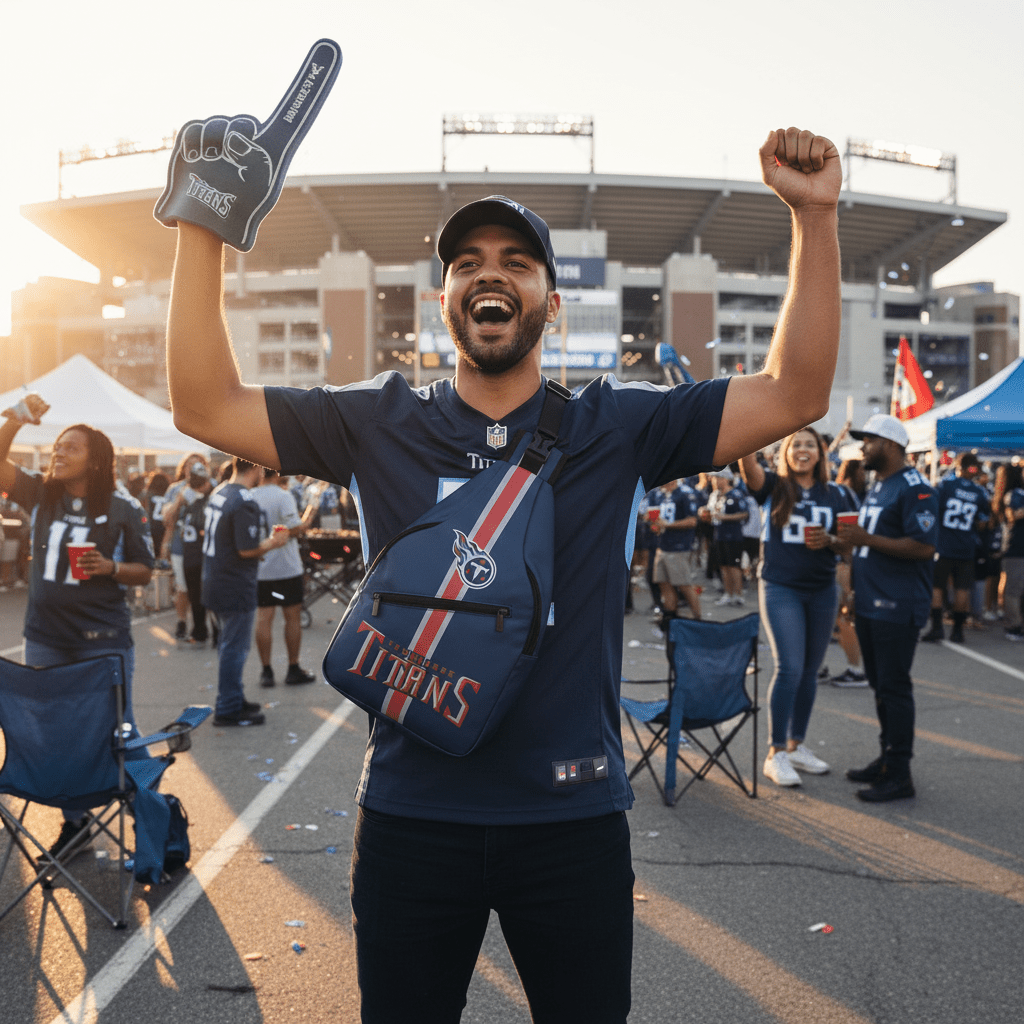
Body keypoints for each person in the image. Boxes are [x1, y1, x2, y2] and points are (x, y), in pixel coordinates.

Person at [165, 127, 842, 1021]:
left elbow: (796, 392)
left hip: (571, 819)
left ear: (550, 304)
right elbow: (203, 404)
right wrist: (201, 225)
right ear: (441, 298)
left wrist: (816, 217)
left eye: (518, 262)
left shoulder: (617, 426)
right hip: (413, 818)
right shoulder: (378, 419)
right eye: (469, 263)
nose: (492, 274)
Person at [0, 396, 154, 857]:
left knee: (119, 730)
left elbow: (145, 569)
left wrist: (109, 567)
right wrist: (14, 419)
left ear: (96, 460)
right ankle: (77, 823)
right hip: (45, 638)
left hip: (102, 641)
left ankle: (151, 813)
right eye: (57, 447)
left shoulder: (123, 507)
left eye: (71, 448)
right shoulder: (41, 492)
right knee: (53, 733)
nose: (58, 453)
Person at [740, 428, 854, 786]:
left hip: (822, 588)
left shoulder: (838, 493)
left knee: (809, 669)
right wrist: (758, 425)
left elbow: (850, 545)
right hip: (781, 587)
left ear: (821, 453)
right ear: (785, 452)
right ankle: (775, 754)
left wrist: (832, 540)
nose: (803, 450)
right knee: (788, 666)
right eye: (795, 444)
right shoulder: (775, 486)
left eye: (810, 445)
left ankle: (796, 744)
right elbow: (748, 465)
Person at [838, 414, 937, 802]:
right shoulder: (880, 485)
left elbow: (924, 546)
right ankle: (886, 758)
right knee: (880, 687)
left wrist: (866, 538)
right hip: (871, 601)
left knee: (894, 688)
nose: (863, 446)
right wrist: (844, 547)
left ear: (892, 445)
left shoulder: (916, 487)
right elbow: (867, 543)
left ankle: (900, 773)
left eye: (870, 440)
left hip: (898, 604)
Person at [201, 458, 290, 726]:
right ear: (257, 468)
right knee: (234, 648)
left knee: (228, 644)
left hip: (214, 577)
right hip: (234, 582)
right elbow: (246, 549)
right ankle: (228, 707)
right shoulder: (243, 500)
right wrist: (273, 543)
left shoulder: (220, 491)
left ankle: (234, 697)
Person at [251, 468, 318, 686]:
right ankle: (293, 667)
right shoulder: (282, 495)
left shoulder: (251, 495)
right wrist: (310, 513)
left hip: (261, 565)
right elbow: (295, 529)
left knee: (264, 618)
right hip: (287, 567)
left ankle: (266, 671)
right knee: (292, 617)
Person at [921, 451, 990, 644]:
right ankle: (958, 631)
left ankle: (936, 628)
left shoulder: (946, 486)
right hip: (966, 546)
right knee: (962, 588)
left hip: (944, 545)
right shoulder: (979, 492)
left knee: (937, 587)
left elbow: (931, 508)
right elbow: (984, 520)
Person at [160, 453, 212, 639]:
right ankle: (182, 621)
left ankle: (203, 624)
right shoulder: (176, 489)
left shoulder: (212, 486)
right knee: (183, 586)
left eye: (198, 465)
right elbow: (166, 519)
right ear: (184, 468)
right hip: (181, 544)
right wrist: (180, 501)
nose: (194, 469)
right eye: (190, 465)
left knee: (205, 586)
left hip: (205, 544)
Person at [651, 478, 702, 624]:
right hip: (662, 545)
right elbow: (657, 520)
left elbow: (692, 521)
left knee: (684, 585)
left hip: (679, 546)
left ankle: (698, 620)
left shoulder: (685, 493)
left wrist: (668, 525)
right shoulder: (659, 494)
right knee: (664, 583)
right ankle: (670, 619)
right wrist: (655, 525)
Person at [701, 469, 748, 606]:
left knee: (734, 566)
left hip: (733, 535)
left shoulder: (736, 494)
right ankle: (728, 593)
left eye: (719, 478)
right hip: (718, 534)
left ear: (726, 479)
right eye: (714, 478)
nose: (715, 481)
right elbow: (710, 512)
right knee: (723, 566)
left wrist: (725, 517)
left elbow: (744, 514)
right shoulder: (715, 495)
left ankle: (738, 594)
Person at [994, 462, 1024, 641]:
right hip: (1016, 549)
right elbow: (1012, 515)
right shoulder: (1014, 495)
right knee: (1013, 590)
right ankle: (1013, 625)